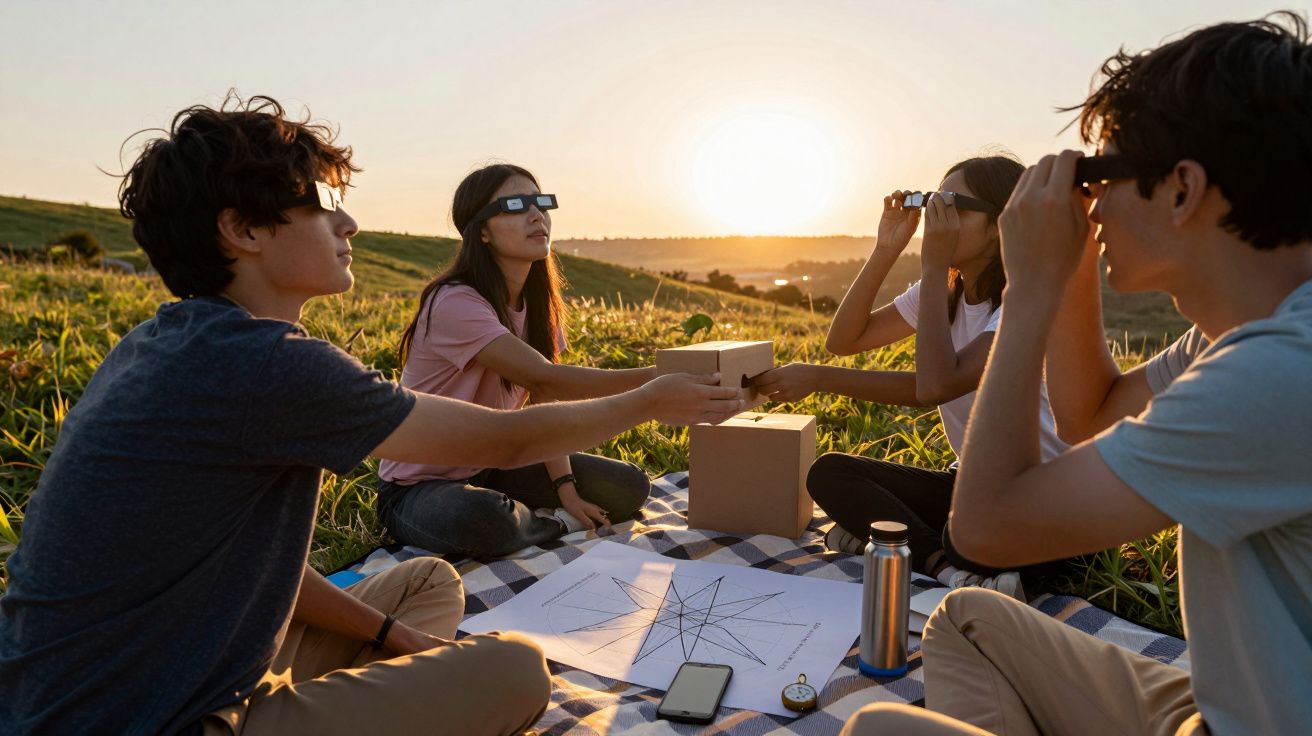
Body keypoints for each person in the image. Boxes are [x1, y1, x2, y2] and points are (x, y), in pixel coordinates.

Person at [0, 95, 745, 736]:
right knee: (517, 672)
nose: (350, 222)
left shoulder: (171, 342)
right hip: (142, 715)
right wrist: (651, 401)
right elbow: (509, 435)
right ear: (244, 230)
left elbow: (262, 565)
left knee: (428, 584)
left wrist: (392, 638)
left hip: (175, 659)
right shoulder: (260, 363)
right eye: (322, 203)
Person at [844, 11, 1312, 735]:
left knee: (879, 728)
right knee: (967, 617)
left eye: (1100, 175)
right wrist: (1068, 276)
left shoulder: (1282, 371)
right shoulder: (1240, 332)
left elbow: (989, 528)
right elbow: (1088, 414)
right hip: (1230, 703)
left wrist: (1029, 288)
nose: (1089, 204)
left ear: (1181, 190)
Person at [751, 155, 1068, 599]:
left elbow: (935, 386)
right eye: (934, 201)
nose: (937, 217)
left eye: (952, 204)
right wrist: (887, 248)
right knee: (831, 473)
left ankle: (898, 542)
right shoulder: (946, 293)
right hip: (973, 483)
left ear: (1001, 224)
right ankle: (947, 571)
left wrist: (933, 266)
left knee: (969, 536)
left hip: (1044, 495)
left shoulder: (1023, 300)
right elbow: (844, 340)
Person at [376, 164, 655, 559]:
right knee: (485, 518)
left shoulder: (539, 307)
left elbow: (544, 397)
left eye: (541, 202)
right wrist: (659, 380)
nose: (536, 214)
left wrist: (567, 489)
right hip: (418, 486)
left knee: (627, 487)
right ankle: (551, 524)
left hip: (495, 464)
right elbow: (548, 378)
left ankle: (533, 517)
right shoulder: (455, 301)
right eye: (514, 205)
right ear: (482, 231)